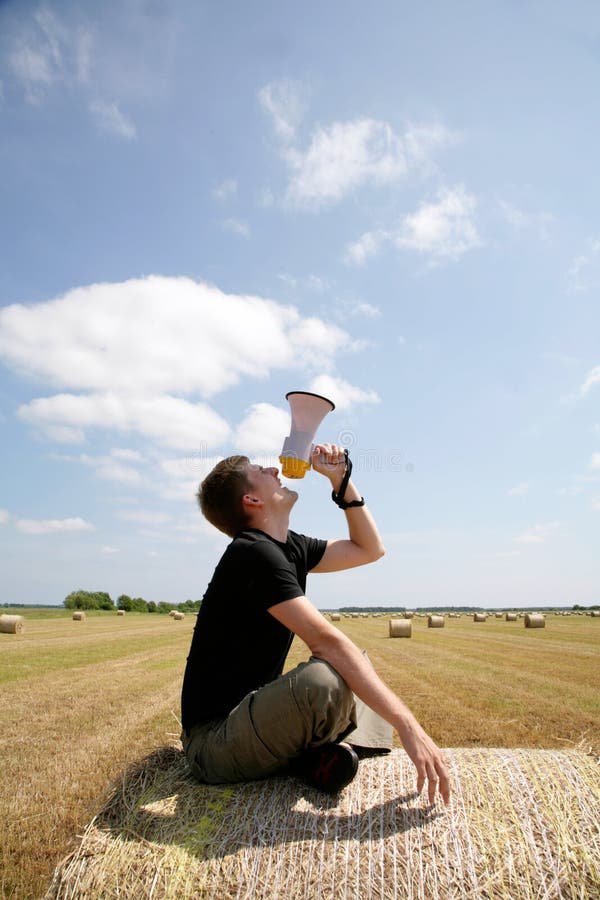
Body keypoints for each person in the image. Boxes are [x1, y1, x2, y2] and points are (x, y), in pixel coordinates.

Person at [181, 443, 450, 804]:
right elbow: (326, 643)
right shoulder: (252, 553)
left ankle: (307, 756)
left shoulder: (289, 546)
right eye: (261, 472)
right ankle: (310, 753)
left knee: (358, 665)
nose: (274, 470)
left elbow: (369, 549)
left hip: (250, 719)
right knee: (324, 679)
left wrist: (340, 481)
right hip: (213, 745)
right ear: (252, 500)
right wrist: (408, 725)